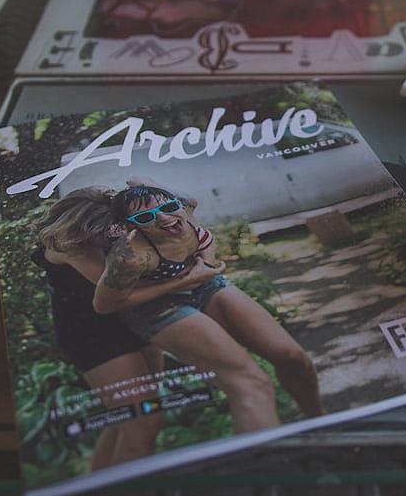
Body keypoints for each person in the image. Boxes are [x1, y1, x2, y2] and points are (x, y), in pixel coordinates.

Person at [94, 184, 323, 433]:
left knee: (293, 358)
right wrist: (184, 281)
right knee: (251, 383)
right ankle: (272, 462)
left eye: (169, 207)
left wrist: (205, 265)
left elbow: (203, 239)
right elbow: (105, 304)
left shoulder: (185, 215)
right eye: (145, 217)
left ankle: (320, 425)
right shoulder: (131, 255)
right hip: (155, 307)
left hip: (203, 284)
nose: (164, 218)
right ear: (130, 227)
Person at [32, 188, 220, 470]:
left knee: (127, 415)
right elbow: (122, 289)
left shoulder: (119, 219)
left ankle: (100, 483)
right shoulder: (68, 246)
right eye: (103, 232)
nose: (112, 236)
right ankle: (128, 493)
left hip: (132, 317)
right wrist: (182, 279)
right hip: (92, 334)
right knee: (144, 418)